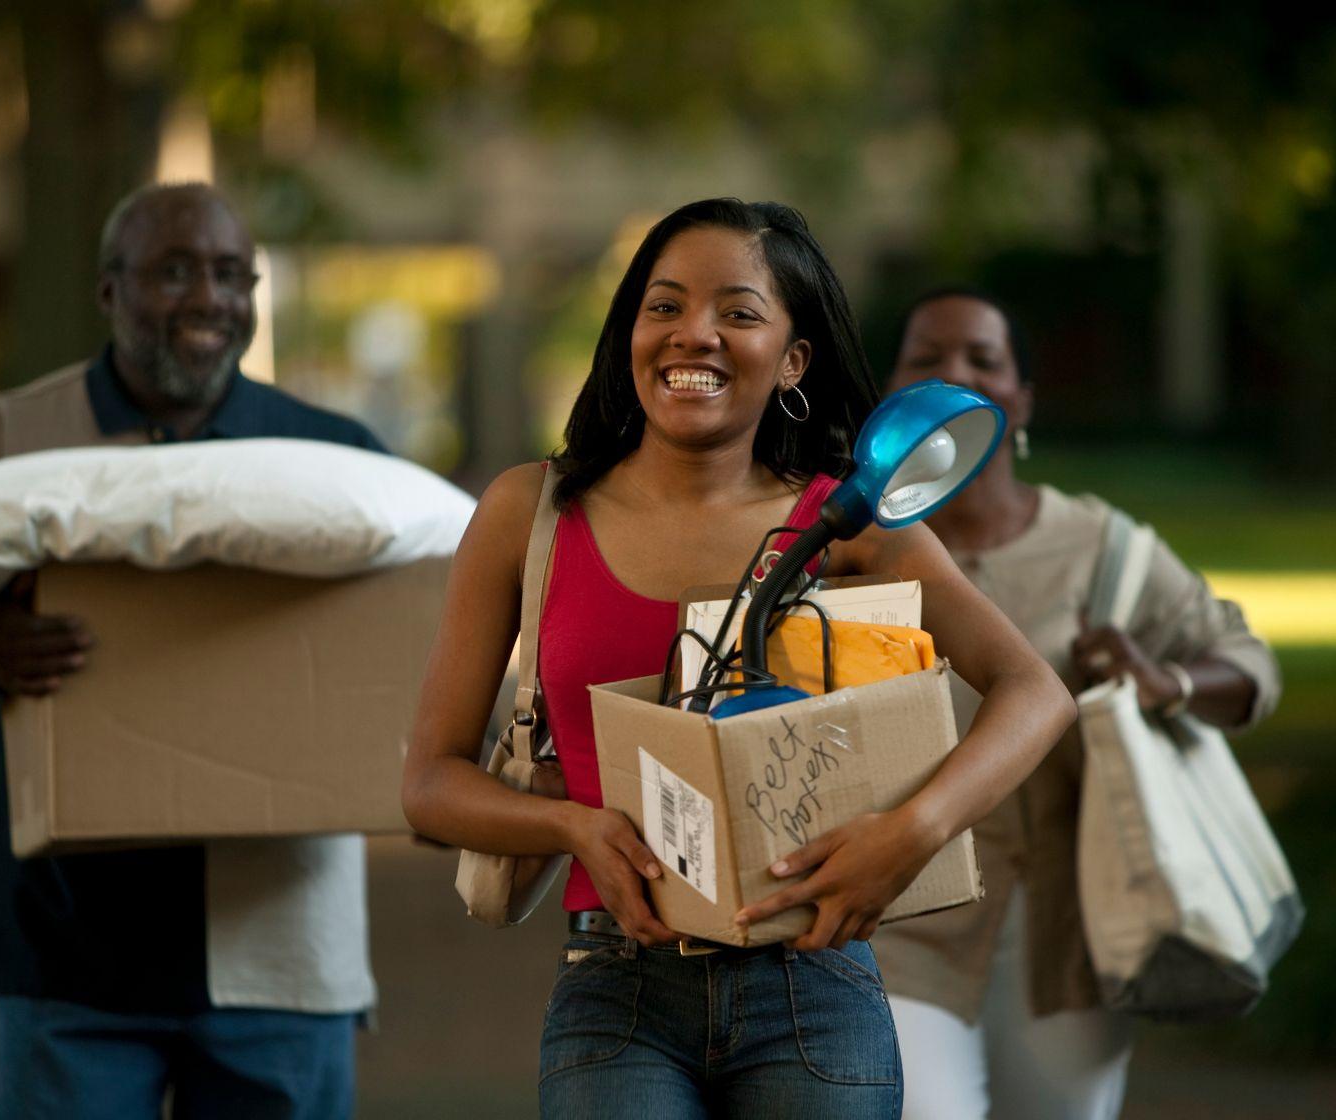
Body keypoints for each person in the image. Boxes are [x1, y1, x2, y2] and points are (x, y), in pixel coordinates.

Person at [402, 200, 1076, 1117]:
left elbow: (1035, 692)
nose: (695, 336)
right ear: (631, 332)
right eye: (665, 306)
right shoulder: (533, 515)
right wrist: (573, 828)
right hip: (617, 985)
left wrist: (912, 833)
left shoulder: (849, 523)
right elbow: (431, 783)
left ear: (794, 360)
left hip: (814, 987)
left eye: (740, 313)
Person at [0, 182, 387, 1119]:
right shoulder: (9, 441)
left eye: (230, 275)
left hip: (281, 947)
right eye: (174, 272)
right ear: (108, 292)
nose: (210, 298)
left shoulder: (337, 459)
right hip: (68, 953)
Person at [873, 287, 1283, 1120]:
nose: (955, 371)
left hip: (1076, 928)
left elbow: (1249, 663)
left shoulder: (1105, 551)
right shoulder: (853, 553)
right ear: (894, 393)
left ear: (1019, 399)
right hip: (896, 926)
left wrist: (1166, 682)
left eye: (984, 360)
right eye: (927, 358)